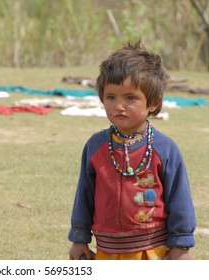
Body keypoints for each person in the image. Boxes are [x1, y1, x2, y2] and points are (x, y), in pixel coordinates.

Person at [68, 40, 196, 260]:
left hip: (152, 251)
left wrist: (181, 245)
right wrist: (79, 239)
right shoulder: (95, 147)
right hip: (106, 251)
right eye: (111, 97)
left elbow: (179, 198)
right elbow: (85, 195)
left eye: (130, 98)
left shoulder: (164, 149)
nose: (119, 106)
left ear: (153, 103)